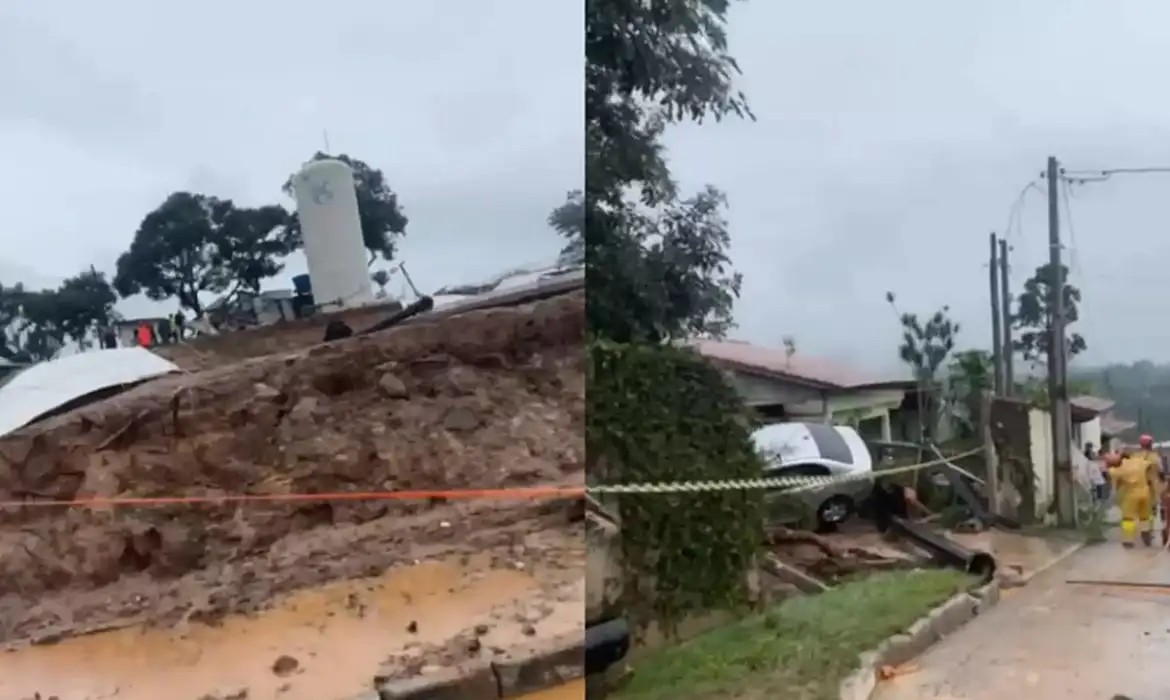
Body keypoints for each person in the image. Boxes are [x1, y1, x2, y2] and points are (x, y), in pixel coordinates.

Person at [1109, 451, 1155, 548]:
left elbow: (1111, 475)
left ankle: (1128, 540)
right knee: (1145, 517)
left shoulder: (1120, 468)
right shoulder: (1139, 461)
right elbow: (1150, 466)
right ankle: (1145, 533)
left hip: (1132, 494)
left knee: (1128, 518)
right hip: (1145, 492)